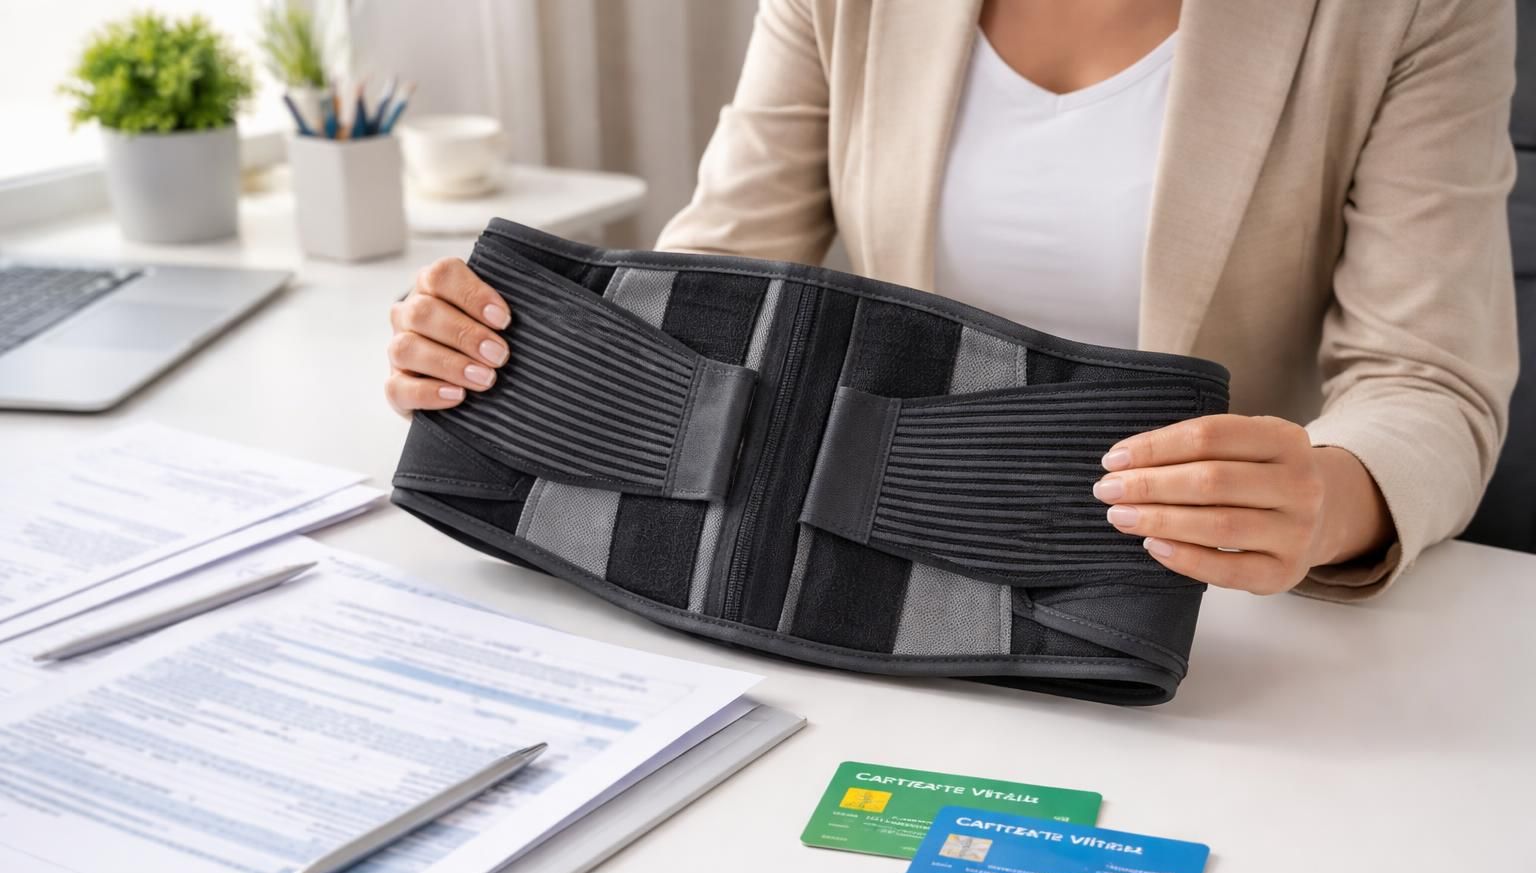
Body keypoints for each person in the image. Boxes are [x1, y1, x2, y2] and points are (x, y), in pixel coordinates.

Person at [383, 0, 1517, 601]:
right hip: (864, 570)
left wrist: (1328, 499)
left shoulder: (1412, 9)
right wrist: (508, 355)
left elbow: (1428, 379)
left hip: (1191, 599)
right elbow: (719, 275)